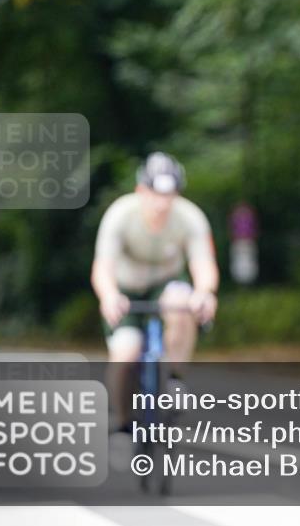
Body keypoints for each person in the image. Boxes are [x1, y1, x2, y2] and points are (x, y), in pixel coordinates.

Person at [91, 151, 219, 433]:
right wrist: (109, 295)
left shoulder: (190, 217)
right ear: (141, 190)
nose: (162, 204)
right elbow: (103, 266)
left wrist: (205, 291)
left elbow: (203, 263)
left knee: (182, 302)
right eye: (155, 195)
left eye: (169, 196)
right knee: (125, 355)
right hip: (125, 288)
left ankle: (174, 378)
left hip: (166, 283)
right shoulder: (120, 215)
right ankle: (124, 420)